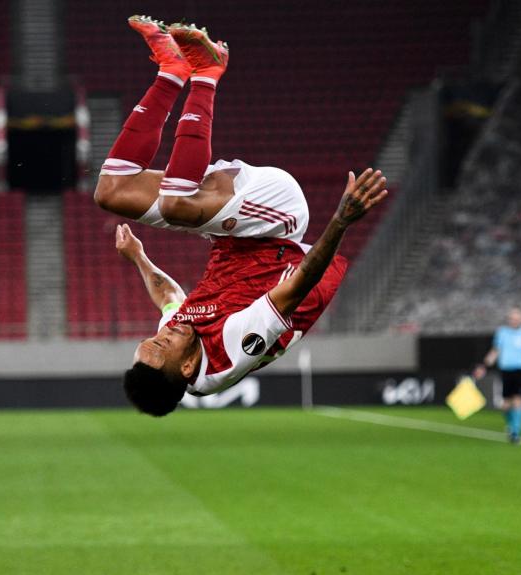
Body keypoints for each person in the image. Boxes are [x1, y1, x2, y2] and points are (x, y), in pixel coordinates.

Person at [94, 16, 388, 416]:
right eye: (162, 344)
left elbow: (167, 297)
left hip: (237, 233)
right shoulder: (231, 353)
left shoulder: (171, 345)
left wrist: (138, 258)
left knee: (112, 191)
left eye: (152, 339)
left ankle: (172, 70)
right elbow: (297, 288)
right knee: (177, 205)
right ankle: (207, 72)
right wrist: (341, 220)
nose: (162, 335)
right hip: (278, 222)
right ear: (185, 367)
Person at [473, 308, 521, 443]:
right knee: (505, 404)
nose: (514, 321)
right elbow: (495, 351)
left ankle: (516, 432)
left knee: (518, 399)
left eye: (517, 318)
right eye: (512, 318)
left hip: (520, 370)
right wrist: (484, 366)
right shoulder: (502, 333)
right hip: (506, 371)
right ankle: (511, 426)